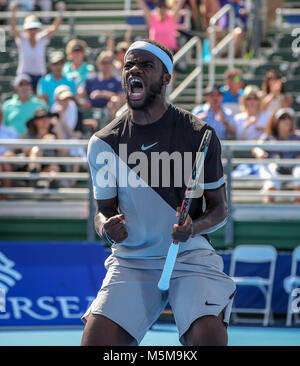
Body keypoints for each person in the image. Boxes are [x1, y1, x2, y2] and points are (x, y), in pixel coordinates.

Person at [80, 39, 236, 346]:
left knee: (208, 340)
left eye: (146, 65)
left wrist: (195, 227)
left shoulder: (198, 134)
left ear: (166, 77)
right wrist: (106, 228)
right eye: (129, 65)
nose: (134, 70)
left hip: (190, 257)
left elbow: (219, 209)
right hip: (132, 259)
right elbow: (104, 211)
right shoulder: (104, 142)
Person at [10, 1, 66, 91]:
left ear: (38, 29)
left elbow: (55, 27)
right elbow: (13, 28)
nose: (32, 31)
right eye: (30, 29)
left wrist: (61, 11)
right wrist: (13, 12)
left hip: (40, 76)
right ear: (25, 29)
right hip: (24, 75)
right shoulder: (22, 39)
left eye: (34, 28)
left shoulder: (42, 39)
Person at [252, 108, 300, 204]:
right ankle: (267, 213)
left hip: (294, 168)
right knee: (271, 178)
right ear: (276, 121)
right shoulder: (269, 136)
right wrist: (259, 152)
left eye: (289, 118)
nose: (287, 120)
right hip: (274, 169)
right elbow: (256, 147)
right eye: (283, 118)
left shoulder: (297, 136)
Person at [23, 107, 67, 188]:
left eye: (47, 118)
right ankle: (34, 177)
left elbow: (64, 151)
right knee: (35, 150)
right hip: (33, 166)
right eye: (41, 118)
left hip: (50, 166)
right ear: (35, 121)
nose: (45, 120)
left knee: (54, 167)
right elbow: (25, 150)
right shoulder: (29, 135)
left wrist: (57, 127)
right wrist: (42, 143)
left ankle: (52, 184)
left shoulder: (54, 135)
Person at [77, 50, 124, 121]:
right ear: (99, 64)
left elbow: (121, 98)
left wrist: (102, 94)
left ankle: (114, 128)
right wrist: (83, 102)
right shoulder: (91, 79)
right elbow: (79, 94)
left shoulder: (117, 80)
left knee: (115, 101)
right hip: (91, 111)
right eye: (103, 63)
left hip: (109, 111)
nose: (106, 65)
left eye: (109, 63)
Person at [0, 104, 19, 195]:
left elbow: (14, 150)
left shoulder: (11, 132)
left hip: (7, 162)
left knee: (6, 165)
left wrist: (9, 153)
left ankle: (4, 197)